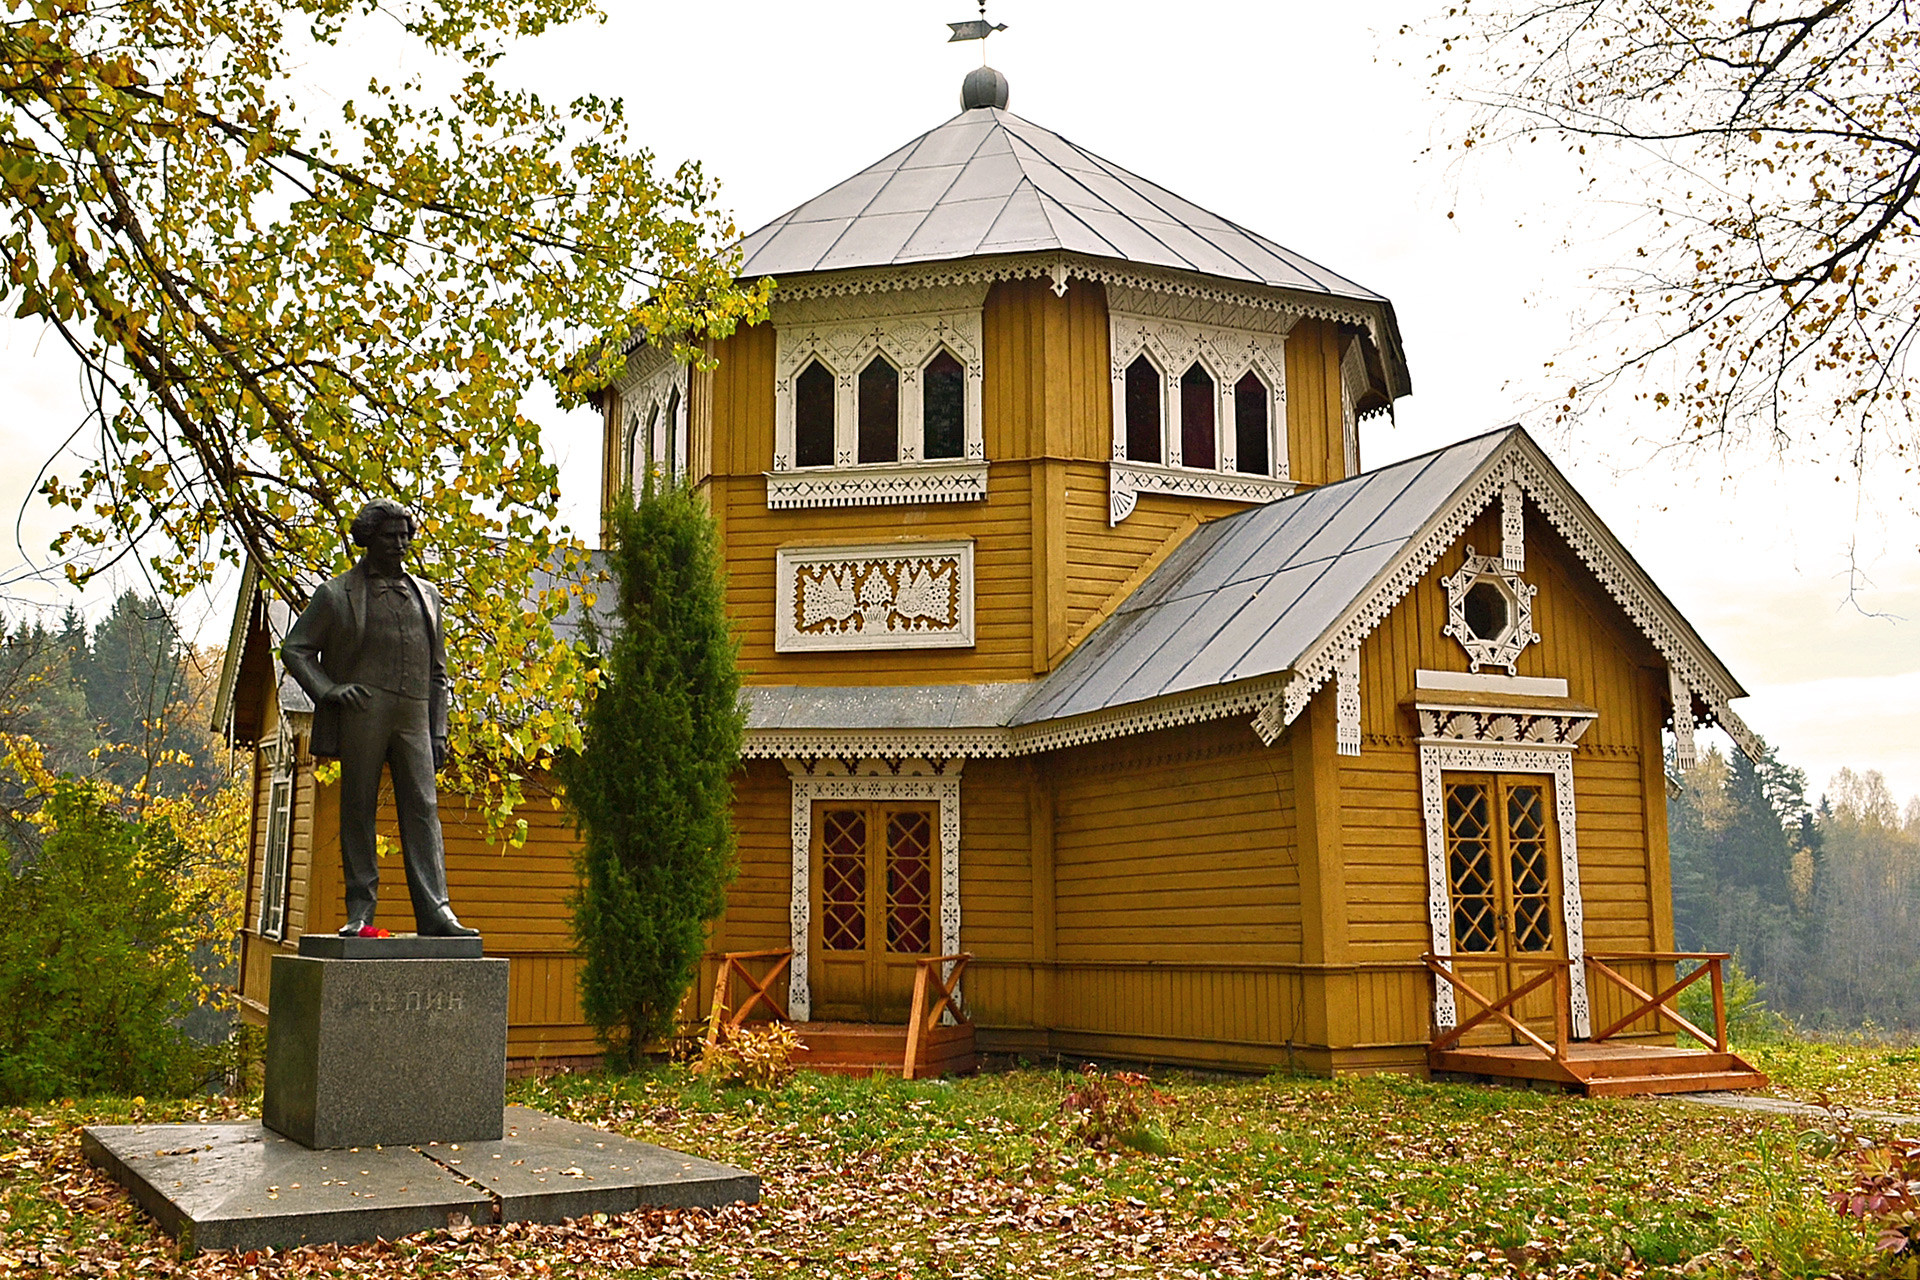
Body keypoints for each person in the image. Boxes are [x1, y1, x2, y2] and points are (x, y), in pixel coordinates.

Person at [282, 499, 478, 938]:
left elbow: (439, 670)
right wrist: (329, 690)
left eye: (405, 535)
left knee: (424, 809)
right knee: (358, 808)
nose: (400, 544)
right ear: (368, 538)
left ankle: (436, 910)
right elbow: (295, 648)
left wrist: (439, 729)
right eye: (390, 536)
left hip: (414, 715)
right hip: (363, 711)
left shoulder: (428, 595)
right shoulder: (337, 594)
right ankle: (361, 911)